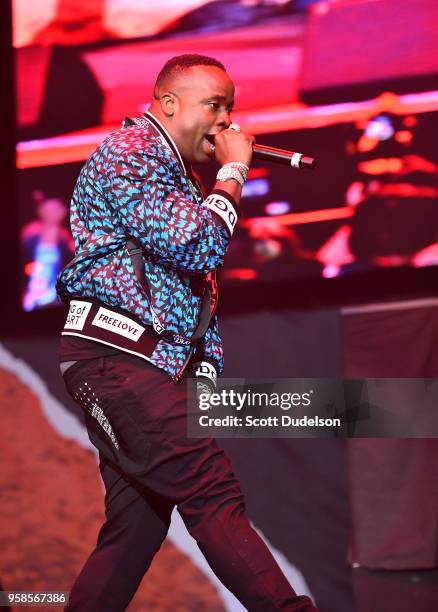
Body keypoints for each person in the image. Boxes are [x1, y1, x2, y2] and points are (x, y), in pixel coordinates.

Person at [57, 54, 318, 611]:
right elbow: (194, 244)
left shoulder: (174, 171)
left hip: (138, 366)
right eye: (213, 106)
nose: (225, 122)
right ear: (169, 104)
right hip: (117, 359)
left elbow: (191, 287)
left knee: (136, 528)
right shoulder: (130, 155)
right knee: (211, 489)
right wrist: (234, 174)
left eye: (230, 109)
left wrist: (200, 369)